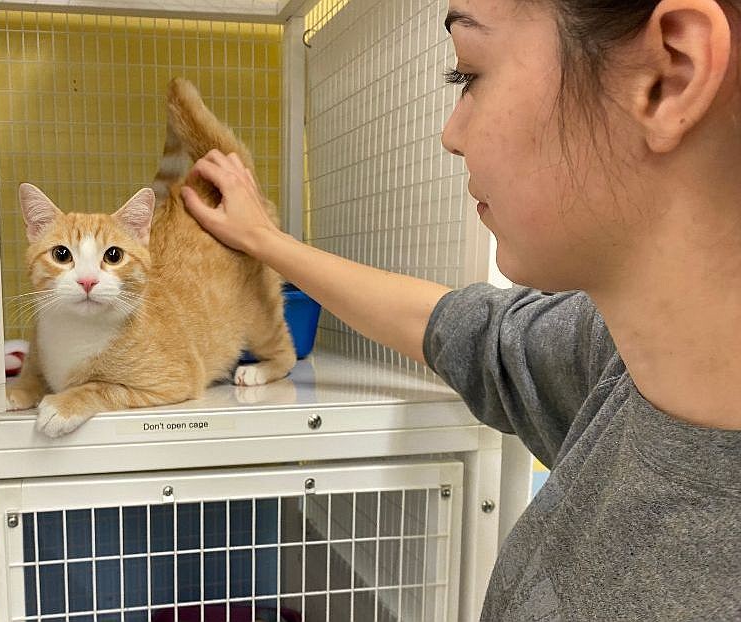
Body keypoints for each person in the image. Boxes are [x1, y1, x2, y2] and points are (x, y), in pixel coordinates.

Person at [181, 0, 741, 619]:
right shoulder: (618, 359)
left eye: (468, 75)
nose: (451, 135)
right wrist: (267, 243)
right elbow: (465, 330)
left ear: (670, 77)